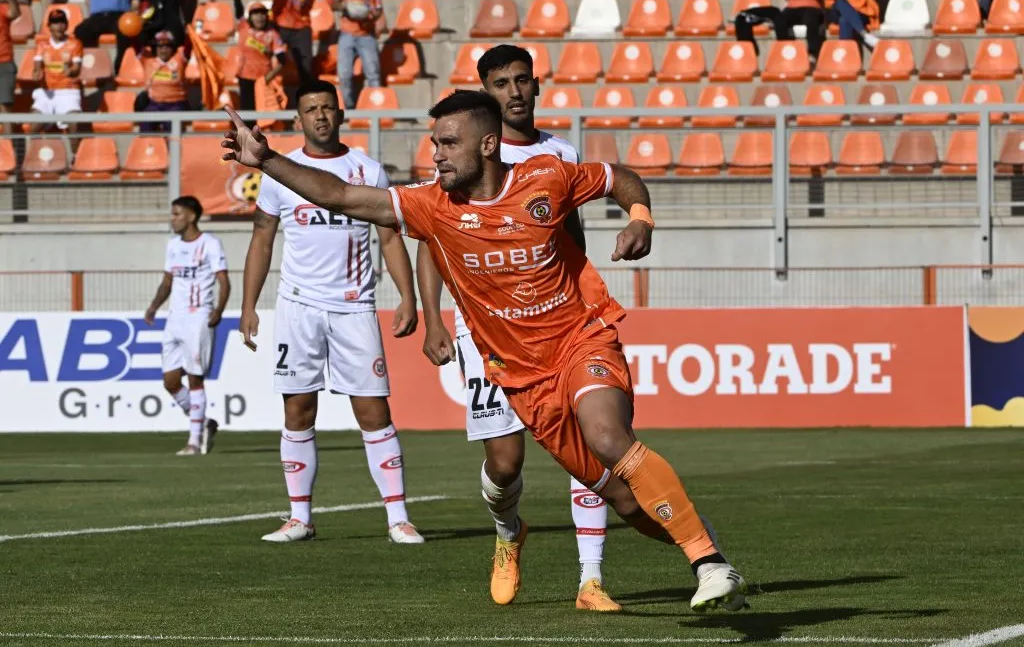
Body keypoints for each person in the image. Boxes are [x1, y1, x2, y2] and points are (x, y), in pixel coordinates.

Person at [220, 90, 750, 613]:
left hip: (580, 339)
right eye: (435, 143)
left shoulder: (547, 177)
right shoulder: (432, 204)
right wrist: (266, 160)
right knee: (626, 501)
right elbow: (340, 196)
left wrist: (640, 217)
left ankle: (706, 564)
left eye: (450, 143)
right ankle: (704, 551)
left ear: (489, 145)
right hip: (522, 378)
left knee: (609, 436)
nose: (437, 154)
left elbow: (618, 177)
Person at [413, 45, 616, 612]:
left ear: (536, 85)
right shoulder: (459, 156)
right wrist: (432, 318)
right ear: (485, 93)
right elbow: (432, 238)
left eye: (522, 80)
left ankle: (591, 579)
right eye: (501, 83)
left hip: (558, 326)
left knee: (589, 445)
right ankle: (508, 532)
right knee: (504, 464)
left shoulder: (560, 153)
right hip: (486, 332)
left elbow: (570, 234)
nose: (515, 92)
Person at [240, 80, 425, 545]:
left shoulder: (366, 170)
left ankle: (398, 519)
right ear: (298, 119)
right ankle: (299, 518)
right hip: (298, 307)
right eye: (311, 109)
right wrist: (248, 305)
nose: (320, 115)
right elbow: (262, 239)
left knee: (373, 410)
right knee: (298, 409)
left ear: (340, 114)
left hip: (354, 307)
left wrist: (408, 296)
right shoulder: (279, 172)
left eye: (327, 107)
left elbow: (389, 237)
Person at [144, 196, 230, 456]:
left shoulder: (210, 244)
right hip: (175, 319)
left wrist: (218, 310)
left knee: (194, 377)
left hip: (198, 317)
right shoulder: (173, 246)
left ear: (192, 216)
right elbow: (167, 282)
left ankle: (194, 442)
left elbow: (224, 281)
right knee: (170, 381)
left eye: (177, 214)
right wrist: (153, 306)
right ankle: (204, 423)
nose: (173, 219)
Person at [735, 0, 828, 62]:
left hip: (812, 5)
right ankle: (786, 50)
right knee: (780, 20)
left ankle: (813, 55)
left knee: (812, 18)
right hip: (793, 7)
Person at [230, 0, 287, 116]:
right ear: (250, 17)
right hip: (245, 76)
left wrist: (268, 78)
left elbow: (282, 60)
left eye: (262, 13)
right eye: (256, 14)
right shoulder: (244, 27)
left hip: (263, 79)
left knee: (262, 113)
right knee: (247, 112)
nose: (259, 17)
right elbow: (237, 4)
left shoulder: (273, 34)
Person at [330, 0, 382, 110]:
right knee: (344, 74)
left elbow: (378, 9)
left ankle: (376, 109)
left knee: (373, 73)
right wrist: (345, 6)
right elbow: (334, 3)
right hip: (347, 34)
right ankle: (349, 109)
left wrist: (369, 14)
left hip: (366, 34)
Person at [270, 0, 330, 86]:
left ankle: (306, 96)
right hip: (278, 24)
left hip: (302, 26)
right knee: (265, 61)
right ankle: (261, 95)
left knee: (306, 69)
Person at [71, 0, 133, 73]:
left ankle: (120, 67)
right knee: (81, 31)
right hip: (98, 17)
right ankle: (94, 64)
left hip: (119, 15)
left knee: (125, 31)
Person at [30, 8, 83, 134]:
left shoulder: (75, 44)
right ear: (49, 26)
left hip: (68, 92)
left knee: (74, 123)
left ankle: (75, 147)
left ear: (67, 25)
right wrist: (37, 74)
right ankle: (29, 146)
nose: (58, 26)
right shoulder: (42, 45)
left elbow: (77, 69)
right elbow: (37, 69)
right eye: (55, 23)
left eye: (61, 22)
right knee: (34, 124)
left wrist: (70, 72)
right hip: (47, 92)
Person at [135, 29, 190, 132]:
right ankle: (148, 142)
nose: (164, 50)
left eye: (167, 46)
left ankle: (172, 143)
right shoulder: (148, 61)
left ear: (172, 48)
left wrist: (189, 34)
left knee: (171, 123)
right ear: (156, 48)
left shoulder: (179, 60)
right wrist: (133, 33)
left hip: (176, 104)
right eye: (160, 46)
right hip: (155, 104)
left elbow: (188, 48)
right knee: (146, 121)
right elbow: (136, 46)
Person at [0, 0, 20, 114]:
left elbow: (15, 13)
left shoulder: (2, 8)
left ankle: (7, 128)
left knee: (5, 106)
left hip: (4, 62)